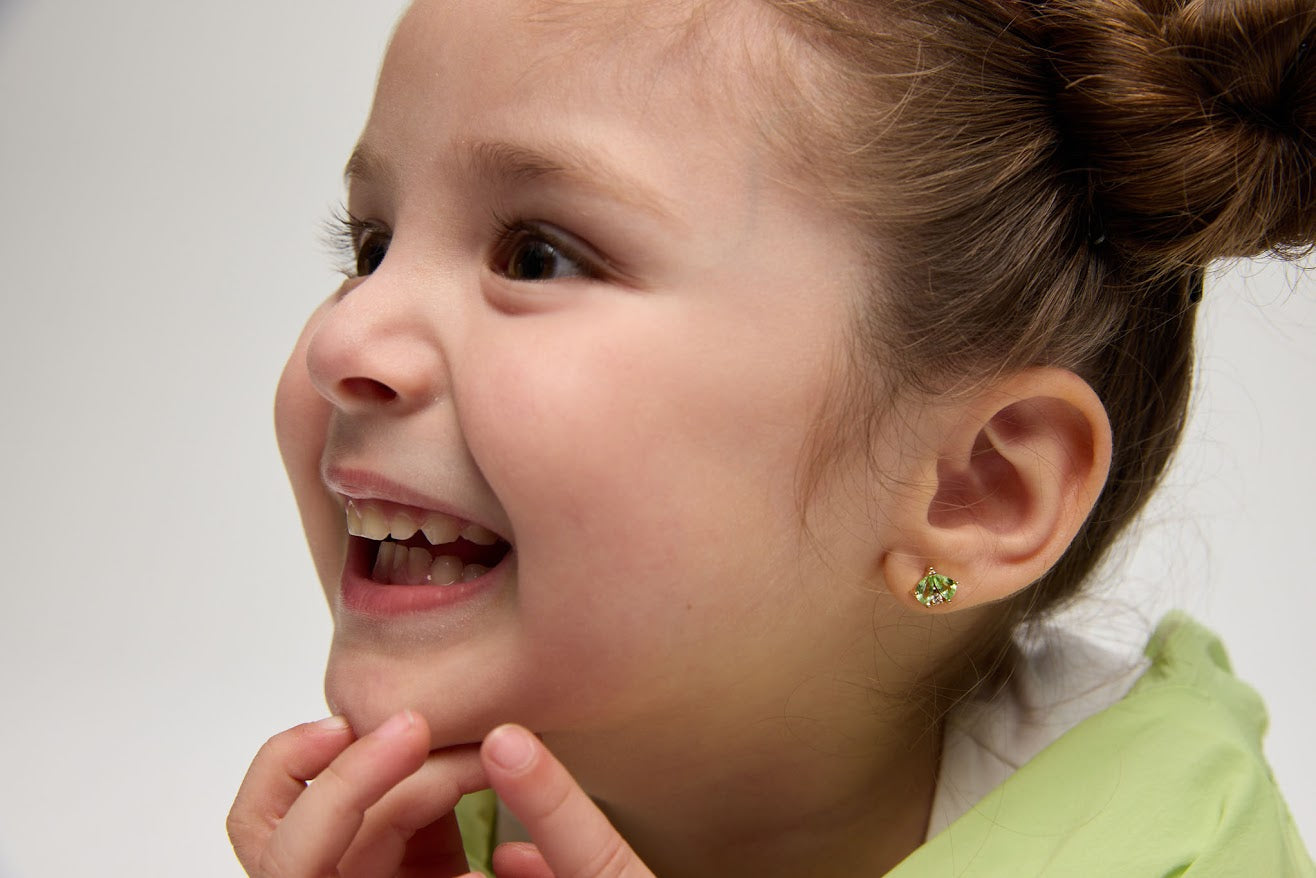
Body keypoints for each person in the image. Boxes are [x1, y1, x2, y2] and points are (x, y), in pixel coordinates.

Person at [226, 0, 1315, 875]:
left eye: (537, 256)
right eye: (370, 245)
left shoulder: (1169, 847)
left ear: (973, 489)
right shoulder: (421, 831)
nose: (343, 338)